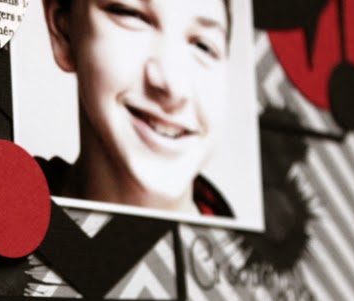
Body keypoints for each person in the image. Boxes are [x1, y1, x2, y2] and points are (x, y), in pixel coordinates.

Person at [40, 0, 234, 217]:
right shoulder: (15, 204)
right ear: (63, 33)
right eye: (130, 14)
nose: (174, 86)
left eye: (203, 46)